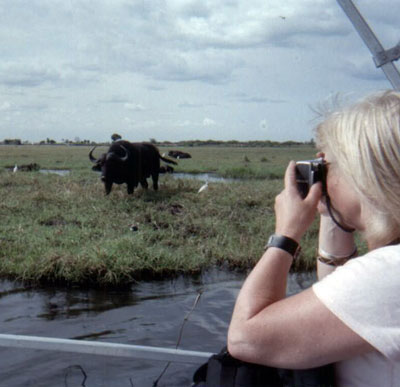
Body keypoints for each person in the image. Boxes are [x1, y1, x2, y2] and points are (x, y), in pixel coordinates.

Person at [227, 90, 400, 386]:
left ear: (363, 173)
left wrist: (286, 235)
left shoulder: (390, 272)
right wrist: (330, 212)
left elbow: (246, 339)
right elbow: (340, 286)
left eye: (328, 167)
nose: (322, 177)